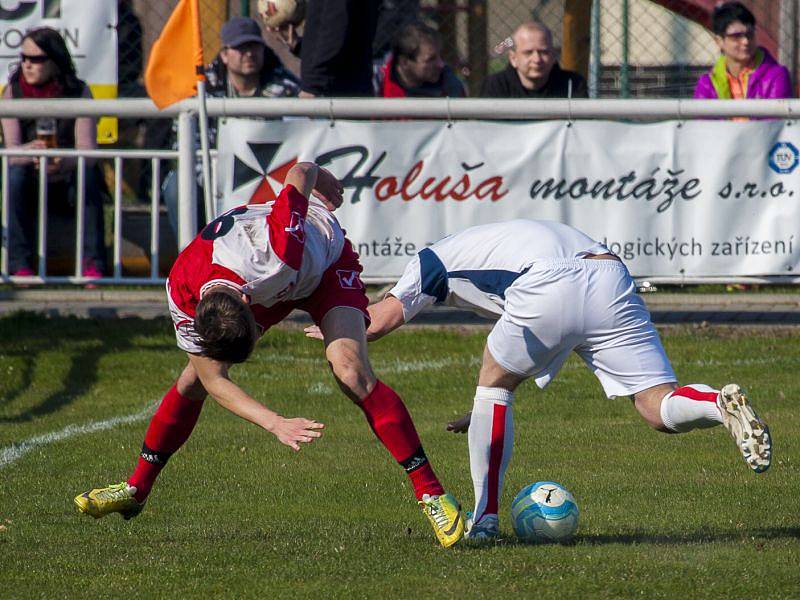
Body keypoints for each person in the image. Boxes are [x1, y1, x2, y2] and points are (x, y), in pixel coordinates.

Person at [74, 161, 465, 548]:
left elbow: (300, 171)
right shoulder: (182, 291)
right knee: (193, 380)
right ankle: (136, 488)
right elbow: (215, 381)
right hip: (261, 284)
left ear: (248, 302)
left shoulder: (276, 249)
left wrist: (322, 179)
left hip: (324, 263)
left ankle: (432, 494)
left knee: (349, 370)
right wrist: (274, 422)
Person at [307, 219, 772, 540]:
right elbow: (544, 329)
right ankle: (716, 404)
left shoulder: (430, 260)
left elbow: (382, 318)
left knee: (494, 382)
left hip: (549, 279)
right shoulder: (492, 239)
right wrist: (484, 414)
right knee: (657, 405)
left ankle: (484, 520)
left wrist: (338, 325)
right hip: (609, 271)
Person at [162, 16, 299, 237]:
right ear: (224, 55)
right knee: (175, 184)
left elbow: (300, 138)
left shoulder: (287, 87)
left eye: (254, 46)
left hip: (273, 179)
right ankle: (196, 258)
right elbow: (187, 144)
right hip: (216, 178)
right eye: (240, 48)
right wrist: (217, 182)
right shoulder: (201, 90)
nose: (249, 54)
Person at [1, 27, 106, 278]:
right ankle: (19, 265)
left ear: (55, 60)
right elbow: (11, 151)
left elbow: (87, 151)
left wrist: (63, 160)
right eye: (23, 58)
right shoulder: (12, 92)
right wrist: (31, 152)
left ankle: (93, 265)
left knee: (88, 177)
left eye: (36, 59)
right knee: (14, 176)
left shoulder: (79, 91)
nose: (27, 65)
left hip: (67, 180)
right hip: (30, 181)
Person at [694, 2, 792, 100]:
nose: (745, 41)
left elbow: (774, 115)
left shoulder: (776, 76)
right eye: (736, 36)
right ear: (719, 42)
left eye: (750, 34)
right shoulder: (707, 84)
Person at [480, 22, 587, 99]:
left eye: (543, 52)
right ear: (513, 58)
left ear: (553, 55)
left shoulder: (573, 84)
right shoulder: (495, 86)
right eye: (528, 52)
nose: (537, 59)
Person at [374, 21, 466, 98]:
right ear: (404, 63)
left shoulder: (450, 86)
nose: (441, 64)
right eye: (431, 59)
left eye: (440, 56)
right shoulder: (379, 82)